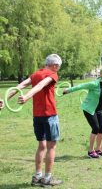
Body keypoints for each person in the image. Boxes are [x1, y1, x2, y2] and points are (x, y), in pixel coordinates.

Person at [8, 54, 63, 187]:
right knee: (51, 146)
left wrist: (6, 98)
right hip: (49, 115)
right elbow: (40, 85)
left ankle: (37, 176)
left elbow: (20, 85)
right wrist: (26, 97)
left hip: (37, 116)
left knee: (41, 145)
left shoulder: (36, 74)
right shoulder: (53, 74)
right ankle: (47, 178)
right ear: (55, 65)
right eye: (58, 67)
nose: (58, 69)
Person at [63, 65, 102, 158]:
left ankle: (98, 149)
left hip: (99, 109)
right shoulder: (94, 84)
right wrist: (68, 90)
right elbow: (81, 86)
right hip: (89, 109)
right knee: (96, 128)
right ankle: (90, 151)